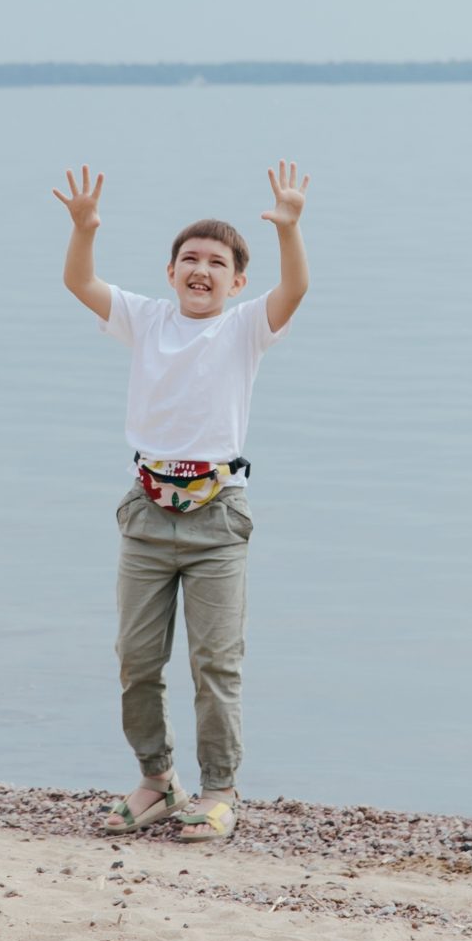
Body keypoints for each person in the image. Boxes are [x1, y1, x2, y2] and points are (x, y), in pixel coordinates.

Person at [54, 160, 309, 845]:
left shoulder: (245, 327)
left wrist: (289, 229)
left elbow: (297, 288)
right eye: (190, 258)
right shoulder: (146, 319)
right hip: (145, 511)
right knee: (137, 657)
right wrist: (85, 228)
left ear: (237, 281)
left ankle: (219, 789)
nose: (202, 269)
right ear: (170, 273)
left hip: (219, 515)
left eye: (217, 262)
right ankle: (157, 780)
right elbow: (79, 281)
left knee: (214, 661)